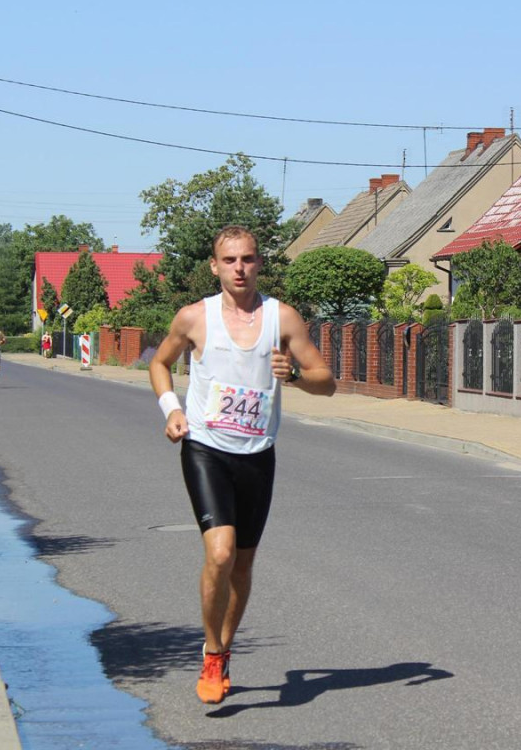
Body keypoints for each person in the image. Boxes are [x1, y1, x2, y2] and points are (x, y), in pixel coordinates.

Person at [149, 225, 335, 705]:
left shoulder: (282, 318)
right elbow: (159, 363)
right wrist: (171, 408)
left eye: (248, 260)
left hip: (257, 455)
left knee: (243, 565)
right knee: (220, 553)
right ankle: (211, 652)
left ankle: (224, 649)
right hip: (206, 447)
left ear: (259, 264)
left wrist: (293, 376)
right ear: (214, 266)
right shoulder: (194, 317)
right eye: (229, 260)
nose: (239, 269)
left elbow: (326, 380)